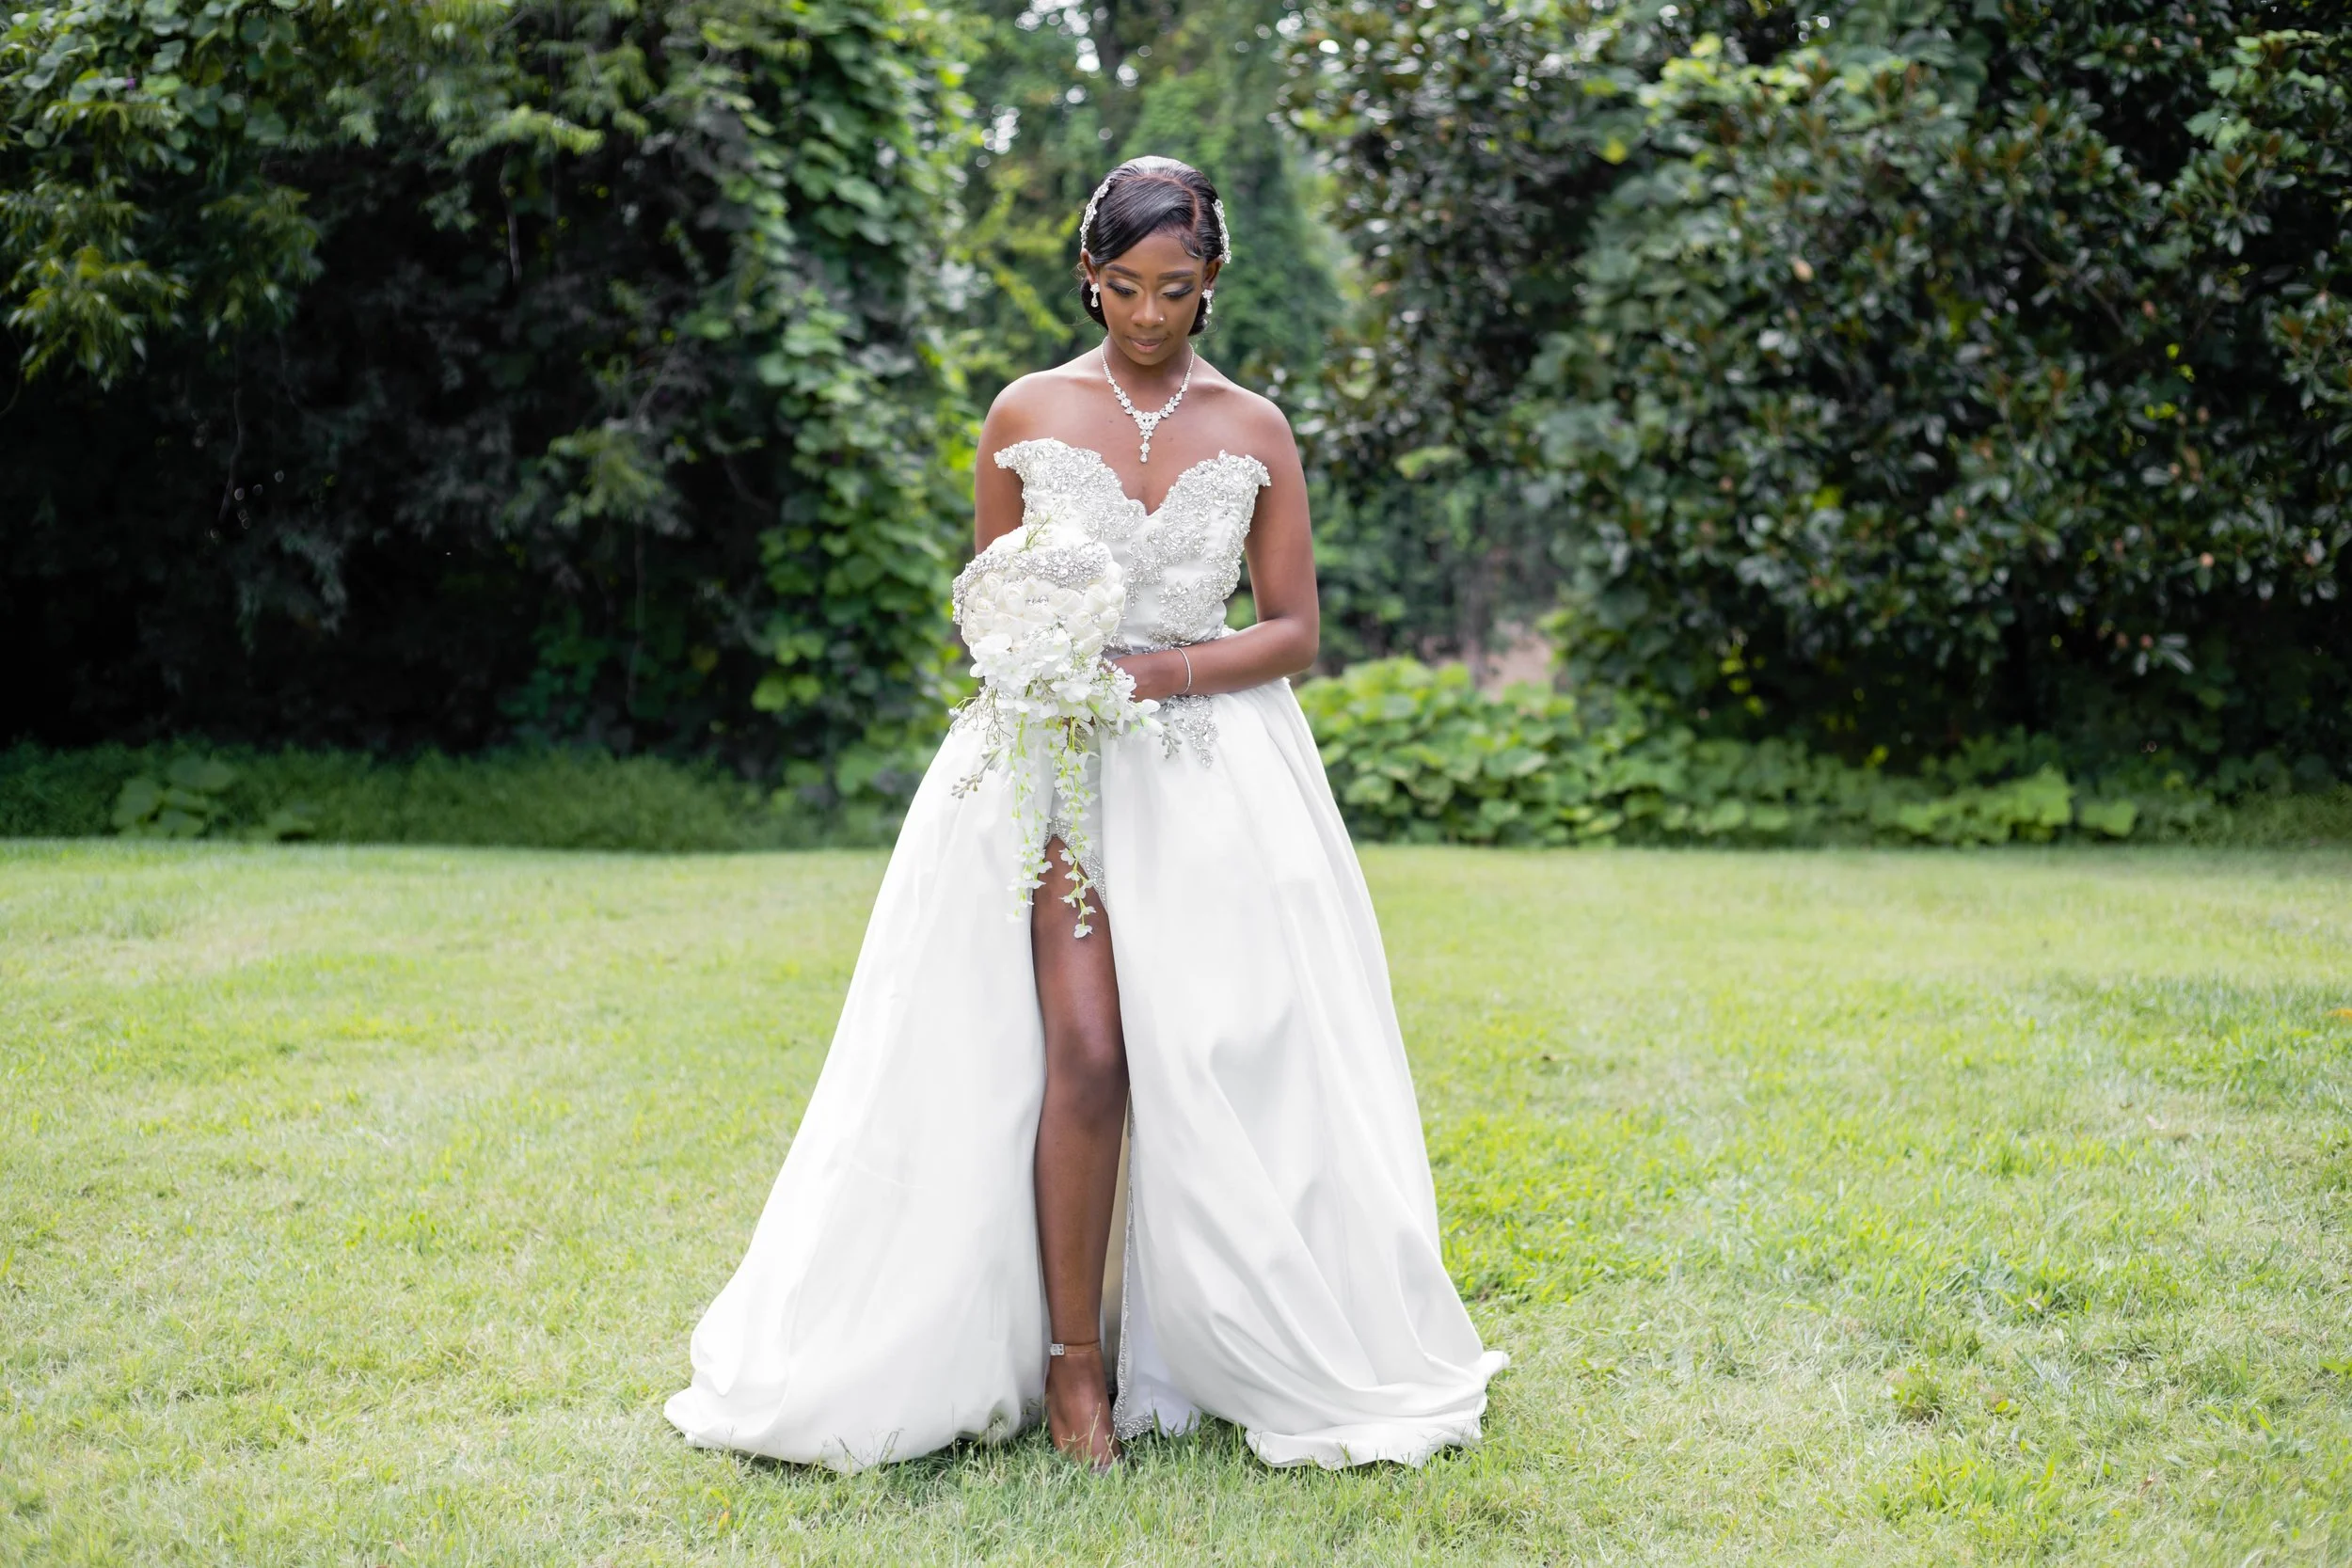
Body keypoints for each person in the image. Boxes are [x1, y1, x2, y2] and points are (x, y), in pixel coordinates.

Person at [664, 156, 1506, 1474]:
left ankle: (1213, 1331)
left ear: (1213, 280)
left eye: (1177, 289)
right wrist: (1048, 671)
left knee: (1221, 1051)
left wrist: (1159, 669)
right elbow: (987, 607)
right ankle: (1071, 1365)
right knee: (1090, 1050)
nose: (1151, 316)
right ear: (1089, 277)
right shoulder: (1024, 411)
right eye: (1125, 288)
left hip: (1218, 780)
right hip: (1047, 766)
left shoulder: (1256, 428)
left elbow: (1294, 632)